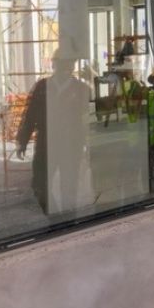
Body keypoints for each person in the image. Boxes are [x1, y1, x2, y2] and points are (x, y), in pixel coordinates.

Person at [16, 50, 95, 215]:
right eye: (61, 63)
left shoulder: (82, 89)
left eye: (68, 63)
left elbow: (89, 120)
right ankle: (55, 218)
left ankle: (66, 222)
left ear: (72, 65)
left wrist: (90, 145)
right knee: (39, 184)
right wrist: (22, 139)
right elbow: (30, 114)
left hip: (71, 145)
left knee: (69, 188)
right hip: (46, 144)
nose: (65, 66)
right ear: (54, 64)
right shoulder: (42, 87)